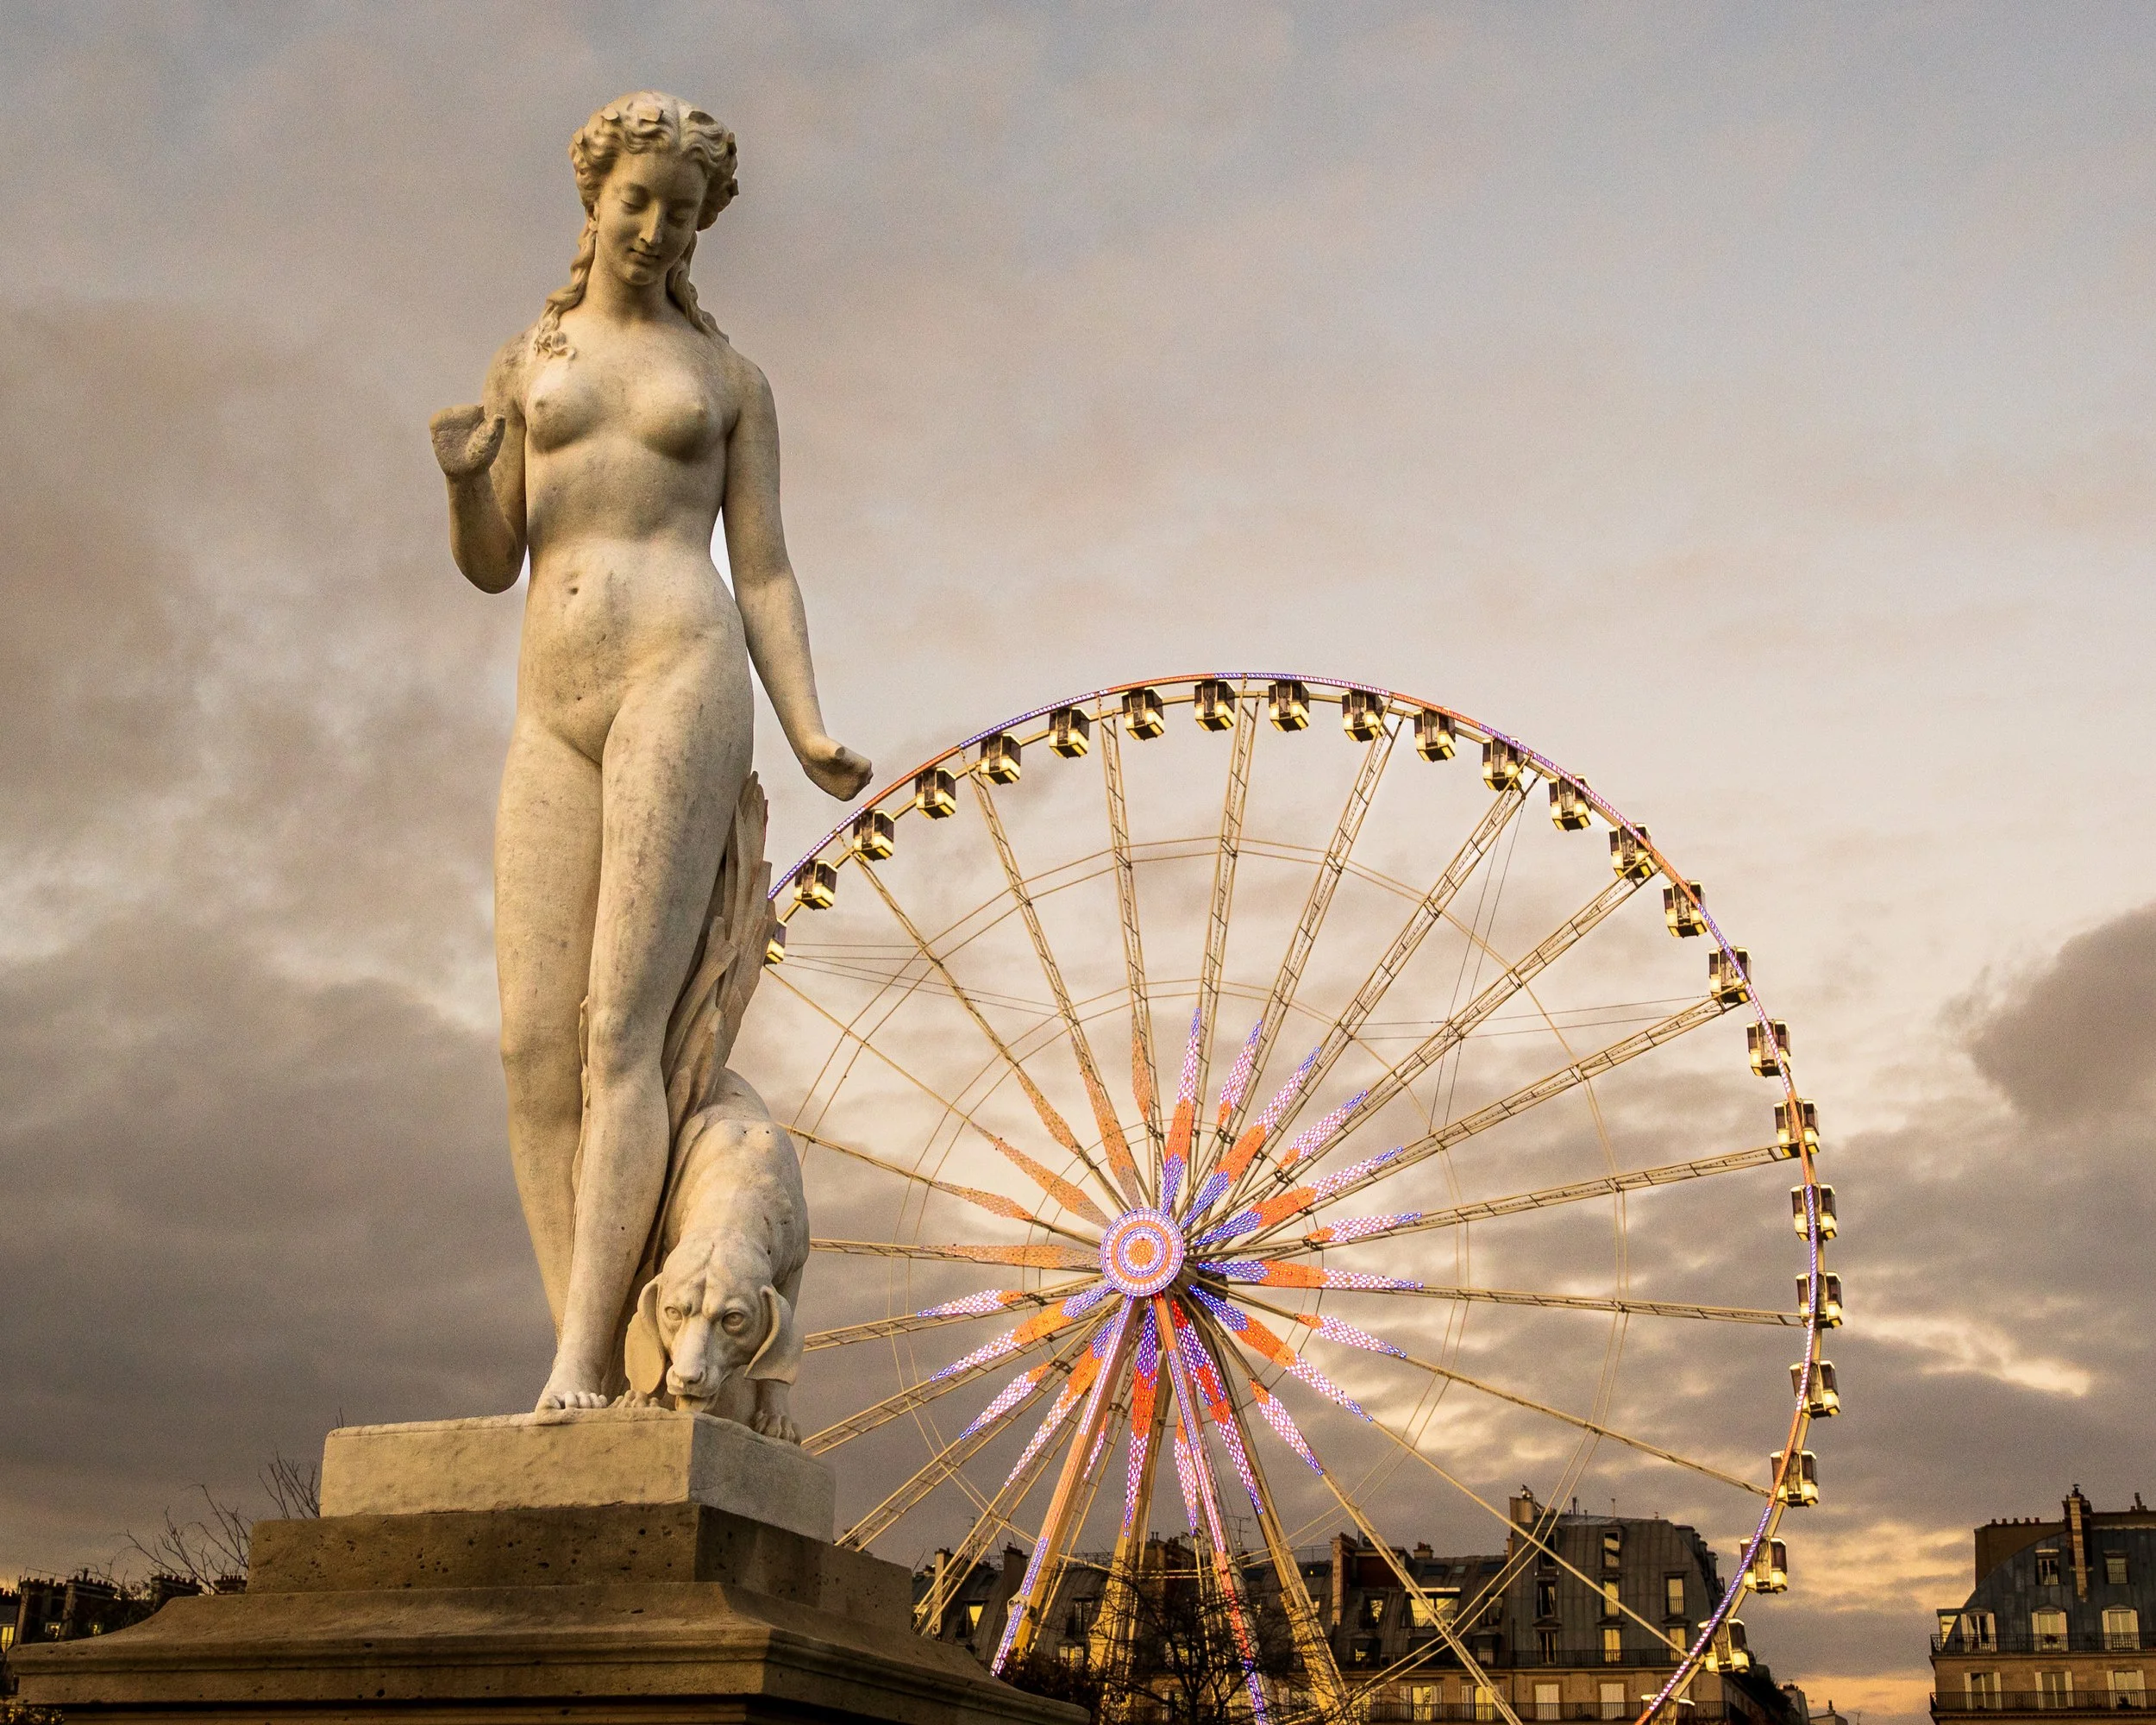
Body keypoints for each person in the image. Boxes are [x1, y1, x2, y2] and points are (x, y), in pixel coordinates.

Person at [428, 91, 869, 1411]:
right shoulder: (528, 364)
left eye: (683, 212)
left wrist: (804, 724)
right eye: (639, 200)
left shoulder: (730, 382)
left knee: (619, 1028)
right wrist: (462, 480)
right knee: (528, 1046)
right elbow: (496, 563)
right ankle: (598, 1337)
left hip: (682, 667)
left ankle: (574, 1372)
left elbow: (768, 567)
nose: (657, 227)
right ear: (594, 199)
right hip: (550, 703)